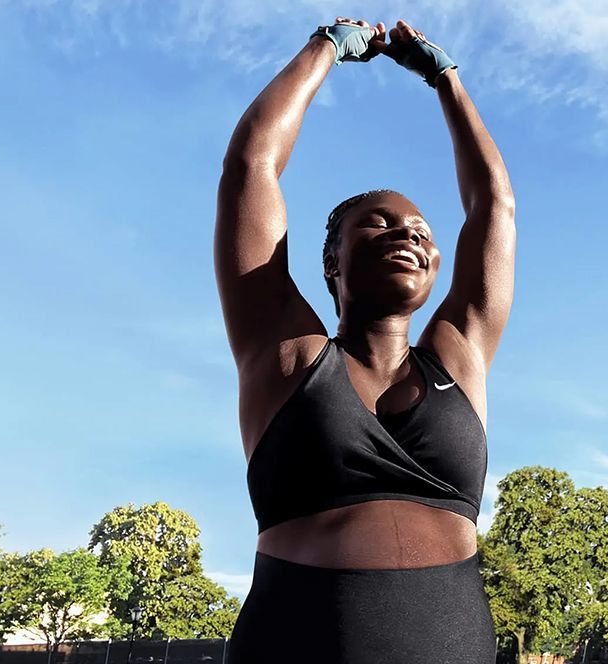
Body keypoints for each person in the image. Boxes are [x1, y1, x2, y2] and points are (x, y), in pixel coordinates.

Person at [213, 15, 515, 663]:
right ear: (332, 262)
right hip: (295, 635)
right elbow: (251, 166)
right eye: (378, 224)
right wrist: (325, 47)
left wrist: (446, 78)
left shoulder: (460, 354)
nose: (409, 234)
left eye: (422, 231)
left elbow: (493, 206)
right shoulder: (286, 353)